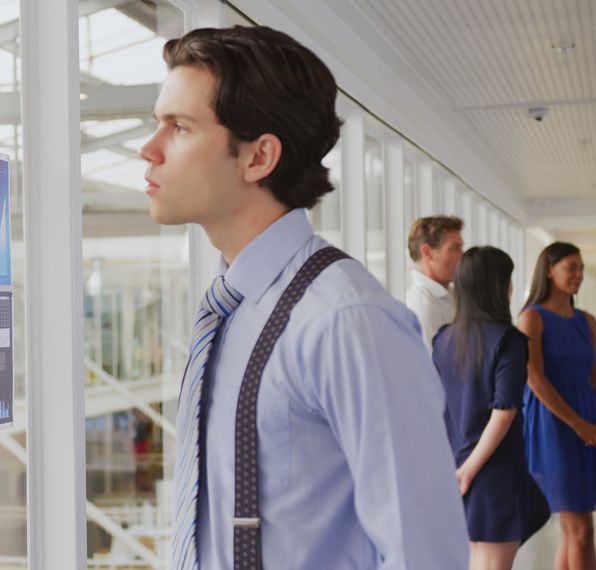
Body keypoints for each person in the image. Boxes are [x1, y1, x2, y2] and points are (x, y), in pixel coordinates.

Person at [141, 26, 468, 569]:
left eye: (179, 127)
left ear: (258, 157)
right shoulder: (233, 309)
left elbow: (424, 553)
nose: (148, 149)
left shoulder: (347, 320)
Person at [432, 247, 549, 570]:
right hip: (493, 469)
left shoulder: (443, 340)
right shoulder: (508, 340)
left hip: (457, 466)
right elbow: (504, 410)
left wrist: (458, 468)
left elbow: (437, 406)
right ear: (498, 287)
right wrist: (471, 470)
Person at [517, 242, 596, 570]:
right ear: (549, 270)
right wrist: (579, 425)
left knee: (575, 531)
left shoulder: (586, 321)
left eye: (581, 268)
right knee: (580, 528)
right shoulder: (532, 319)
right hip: (554, 426)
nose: (579, 275)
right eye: (571, 267)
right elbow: (535, 380)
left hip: (587, 424)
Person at [406, 216, 465, 352]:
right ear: (427, 253)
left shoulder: (452, 293)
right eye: (454, 248)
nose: (462, 255)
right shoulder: (423, 307)